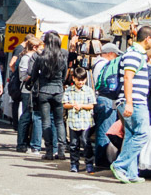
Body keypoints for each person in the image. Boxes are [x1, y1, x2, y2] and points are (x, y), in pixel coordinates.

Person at [109, 27, 151, 182]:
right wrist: (129, 102)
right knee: (142, 134)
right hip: (134, 101)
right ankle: (120, 165)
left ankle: (131, 173)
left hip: (132, 101)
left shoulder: (136, 54)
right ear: (147, 38)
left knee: (131, 135)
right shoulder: (134, 55)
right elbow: (128, 79)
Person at [32, 32, 67, 160]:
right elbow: (64, 75)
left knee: (46, 122)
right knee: (59, 122)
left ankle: (49, 151)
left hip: (44, 91)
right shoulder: (63, 57)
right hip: (58, 91)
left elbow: (33, 74)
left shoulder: (41, 57)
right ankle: (61, 151)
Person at [90, 41, 122, 169]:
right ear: (110, 54)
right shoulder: (104, 64)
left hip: (101, 99)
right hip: (106, 100)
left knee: (102, 129)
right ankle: (102, 161)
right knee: (104, 130)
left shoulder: (97, 63)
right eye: (115, 55)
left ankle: (101, 159)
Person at [63, 65, 96, 173]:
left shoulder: (89, 90)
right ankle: (74, 164)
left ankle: (89, 163)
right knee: (73, 144)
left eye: (82, 80)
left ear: (85, 80)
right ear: (74, 79)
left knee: (86, 143)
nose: (80, 82)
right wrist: (73, 105)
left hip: (86, 122)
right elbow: (64, 104)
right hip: (73, 121)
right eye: (78, 80)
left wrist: (81, 106)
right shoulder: (69, 90)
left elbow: (91, 105)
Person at [14, 37, 42, 153]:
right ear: (35, 47)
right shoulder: (26, 58)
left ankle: (27, 143)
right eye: (40, 47)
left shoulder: (35, 57)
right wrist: (34, 74)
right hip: (27, 91)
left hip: (34, 91)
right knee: (26, 116)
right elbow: (23, 77)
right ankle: (21, 144)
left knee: (31, 116)